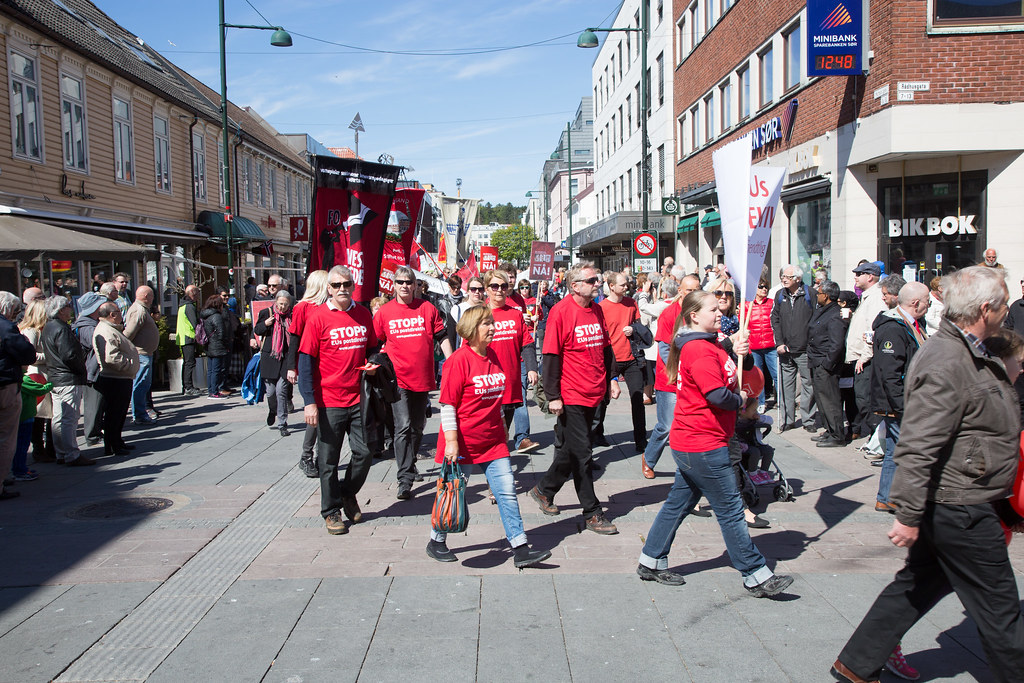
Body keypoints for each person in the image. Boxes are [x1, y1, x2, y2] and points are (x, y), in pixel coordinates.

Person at [831, 266, 1024, 683]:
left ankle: (856, 664)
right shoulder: (947, 358)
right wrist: (908, 512)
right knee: (1000, 609)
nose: (1008, 309)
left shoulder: (971, 349)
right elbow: (919, 442)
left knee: (916, 586)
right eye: (1005, 302)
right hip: (961, 503)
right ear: (986, 308)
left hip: (961, 497)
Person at [635, 290, 794, 596]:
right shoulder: (698, 350)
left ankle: (651, 560)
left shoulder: (707, 344)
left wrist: (734, 348)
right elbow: (717, 395)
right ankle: (755, 574)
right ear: (694, 315)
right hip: (702, 442)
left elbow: (729, 368)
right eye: (712, 309)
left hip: (699, 440)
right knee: (732, 510)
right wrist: (742, 398)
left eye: (720, 307)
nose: (720, 311)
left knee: (677, 504)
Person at [426, 305, 551, 568]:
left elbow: (497, 401)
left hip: (493, 441)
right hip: (463, 443)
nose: (493, 327)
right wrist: (451, 441)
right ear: (471, 330)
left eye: (492, 323)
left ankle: (520, 548)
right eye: (486, 324)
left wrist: (503, 429)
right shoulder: (458, 361)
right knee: (452, 493)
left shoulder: (493, 355)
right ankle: (436, 540)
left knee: (506, 493)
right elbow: (447, 404)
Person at [530, 261, 620, 534]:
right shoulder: (560, 313)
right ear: (575, 286)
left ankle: (544, 490)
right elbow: (551, 358)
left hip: (595, 391)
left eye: (597, 280)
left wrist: (612, 378)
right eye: (592, 281)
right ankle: (592, 512)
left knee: (571, 450)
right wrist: (553, 395)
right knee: (583, 454)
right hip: (571, 395)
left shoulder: (596, 310)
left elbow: (605, 348)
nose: (598, 284)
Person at [298, 266, 378, 535]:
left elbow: (374, 348)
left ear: (353, 285)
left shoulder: (363, 314)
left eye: (346, 284)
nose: (342, 289)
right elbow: (306, 362)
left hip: (358, 398)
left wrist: (375, 363)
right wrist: (309, 402)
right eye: (336, 285)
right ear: (328, 289)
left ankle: (347, 493)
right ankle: (331, 511)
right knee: (328, 461)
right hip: (328, 400)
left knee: (365, 453)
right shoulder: (318, 318)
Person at [374, 266, 453, 500]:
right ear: (394, 285)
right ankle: (404, 478)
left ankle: (411, 461)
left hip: (423, 378)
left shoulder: (427, 309)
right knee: (404, 426)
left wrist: (452, 360)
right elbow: (375, 342)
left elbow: (441, 336)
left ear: (416, 285)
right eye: (400, 282)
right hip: (397, 379)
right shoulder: (385, 312)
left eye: (409, 282)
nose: (405, 286)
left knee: (418, 427)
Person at [871, 282, 929, 512]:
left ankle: (887, 497)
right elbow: (890, 373)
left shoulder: (911, 324)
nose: (929, 305)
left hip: (906, 400)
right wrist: (902, 407)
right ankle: (897, 497)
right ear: (915, 303)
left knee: (895, 451)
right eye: (927, 301)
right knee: (907, 450)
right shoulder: (893, 328)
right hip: (899, 402)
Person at [643, 274, 701, 479]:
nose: (693, 294)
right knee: (666, 426)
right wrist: (678, 373)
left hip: (695, 379)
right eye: (689, 290)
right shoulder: (670, 314)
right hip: (670, 379)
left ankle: (688, 468)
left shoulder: (701, 313)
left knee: (691, 426)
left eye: (697, 289)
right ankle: (649, 459)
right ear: (681, 291)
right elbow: (666, 350)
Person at [594, 271, 646, 453]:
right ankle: (597, 434)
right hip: (611, 358)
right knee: (603, 399)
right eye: (623, 285)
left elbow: (639, 326)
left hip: (631, 358)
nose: (626, 287)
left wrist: (633, 329)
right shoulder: (601, 307)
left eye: (627, 284)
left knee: (637, 398)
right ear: (611, 286)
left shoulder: (631, 303)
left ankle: (640, 440)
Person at [41, 296, 94, 466]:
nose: (71, 309)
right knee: (69, 418)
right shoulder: (61, 328)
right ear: (61, 309)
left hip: (56, 377)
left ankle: (61, 452)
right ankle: (71, 453)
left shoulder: (49, 327)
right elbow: (69, 355)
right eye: (69, 306)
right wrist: (81, 368)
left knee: (59, 417)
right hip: (67, 377)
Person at [286, 270, 329, 478]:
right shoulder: (302, 307)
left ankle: (322, 457)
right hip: (308, 364)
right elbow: (294, 339)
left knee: (327, 414)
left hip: (327, 366)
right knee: (315, 412)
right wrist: (291, 367)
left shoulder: (329, 307)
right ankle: (306, 456)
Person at [483, 270, 538, 432]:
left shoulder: (515, 315)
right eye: (494, 286)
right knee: (489, 430)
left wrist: (532, 368)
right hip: (487, 382)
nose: (499, 290)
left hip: (511, 381)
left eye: (503, 286)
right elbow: (468, 350)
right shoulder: (479, 314)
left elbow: (527, 344)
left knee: (504, 428)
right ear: (487, 289)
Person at [771, 265, 818, 432]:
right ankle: (787, 420)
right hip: (785, 349)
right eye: (782, 276)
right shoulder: (780, 295)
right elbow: (775, 319)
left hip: (805, 349)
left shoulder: (810, 294)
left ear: (798, 279)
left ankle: (808, 420)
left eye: (788, 277)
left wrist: (811, 342)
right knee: (785, 386)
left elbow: (816, 319)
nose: (784, 279)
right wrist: (779, 343)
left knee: (808, 384)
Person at [499, 262, 540, 454]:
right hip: (497, 361)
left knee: (520, 398)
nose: (510, 281)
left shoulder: (519, 300)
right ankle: (497, 440)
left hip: (519, 360)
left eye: (512, 277)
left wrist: (529, 320)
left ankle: (522, 437)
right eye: (506, 277)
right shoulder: (490, 303)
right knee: (497, 403)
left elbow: (525, 335)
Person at [0, 292, 37, 498]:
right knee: (6, 437)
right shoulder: (6, 327)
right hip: (5, 386)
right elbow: (27, 354)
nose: (16, 315)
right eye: (15, 311)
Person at [845, 262, 887, 440]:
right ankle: (874, 437)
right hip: (861, 357)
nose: (855, 277)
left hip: (867, 359)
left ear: (870, 277)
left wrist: (865, 356)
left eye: (859, 273)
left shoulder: (876, 297)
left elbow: (873, 329)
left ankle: (877, 439)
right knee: (862, 399)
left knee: (865, 400)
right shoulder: (867, 296)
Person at [92, 302, 139, 456]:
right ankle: (113, 444)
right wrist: (128, 365)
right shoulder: (106, 330)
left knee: (119, 414)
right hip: (115, 378)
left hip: (120, 377)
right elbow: (111, 357)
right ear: (112, 315)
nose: (121, 314)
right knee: (114, 414)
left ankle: (117, 441)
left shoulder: (111, 329)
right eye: (119, 312)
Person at [806, 281, 847, 448]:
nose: (817, 295)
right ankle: (830, 430)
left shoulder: (835, 314)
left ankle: (837, 435)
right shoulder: (822, 310)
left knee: (830, 400)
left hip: (825, 363)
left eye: (820, 293)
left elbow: (837, 344)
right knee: (822, 400)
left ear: (827, 296)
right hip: (815, 360)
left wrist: (827, 363)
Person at [254, 290, 294, 436]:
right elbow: (257, 330)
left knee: (281, 391)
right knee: (270, 392)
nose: (282, 307)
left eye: (285, 304)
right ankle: (273, 410)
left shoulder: (292, 315)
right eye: (280, 303)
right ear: (276, 302)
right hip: (270, 357)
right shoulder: (267, 313)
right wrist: (265, 324)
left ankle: (282, 423)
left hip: (286, 357)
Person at [71, 292, 106, 447]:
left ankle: (96, 432)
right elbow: (96, 345)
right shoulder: (86, 327)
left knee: (99, 404)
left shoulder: (90, 323)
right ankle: (92, 436)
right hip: (91, 371)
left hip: (93, 370)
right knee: (94, 404)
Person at [124, 286, 159, 425]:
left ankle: (140, 413)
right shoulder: (138, 310)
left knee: (144, 384)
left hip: (145, 353)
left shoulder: (142, 309)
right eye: (151, 296)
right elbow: (129, 333)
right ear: (145, 296)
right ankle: (138, 415)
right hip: (140, 354)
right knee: (140, 384)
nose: (153, 299)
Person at [745, 279, 777, 412]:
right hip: (754, 346)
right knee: (758, 376)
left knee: (777, 374)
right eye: (761, 287)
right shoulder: (747, 305)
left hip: (771, 345)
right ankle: (760, 402)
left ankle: (781, 401)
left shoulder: (772, 303)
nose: (764, 289)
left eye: (766, 287)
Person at [200, 295, 230, 400]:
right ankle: (214, 392)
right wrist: (226, 344)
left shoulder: (205, 315)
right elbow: (221, 332)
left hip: (209, 345)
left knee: (211, 370)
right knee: (217, 370)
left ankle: (211, 390)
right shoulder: (217, 316)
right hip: (217, 345)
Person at [176, 285, 202, 396]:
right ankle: (188, 387)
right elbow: (194, 322)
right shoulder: (189, 306)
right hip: (188, 336)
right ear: (192, 293)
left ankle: (186, 386)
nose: (199, 295)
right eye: (197, 293)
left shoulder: (183, 305)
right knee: (189, 363)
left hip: (183, 336)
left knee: (187, 362)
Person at [449, 277, 486, 350]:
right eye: (473, 289)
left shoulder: (487, 310)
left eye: (480, 289)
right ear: (468, 291)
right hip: (464, 351)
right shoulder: (457, 309)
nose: (477, 292)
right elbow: (451, 337)